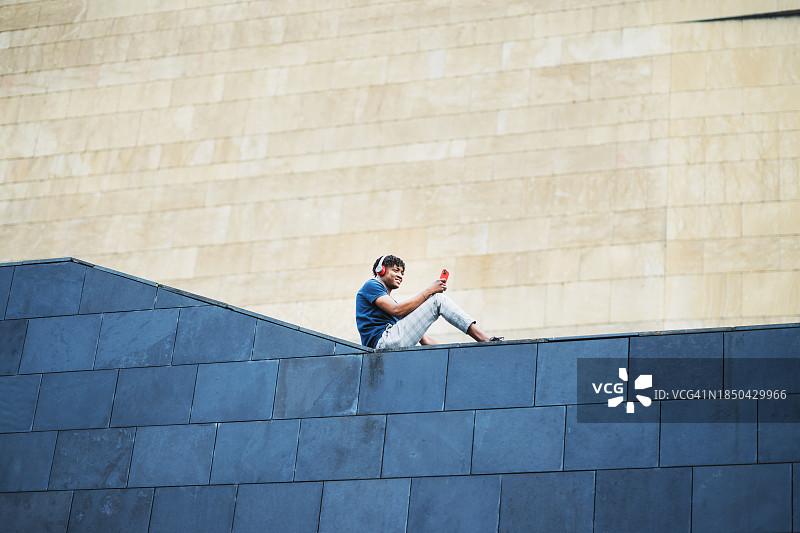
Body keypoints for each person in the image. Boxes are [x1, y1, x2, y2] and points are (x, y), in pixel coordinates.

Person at [356, 254, 502, 349]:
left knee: (435, 300)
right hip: (383, 343)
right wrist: (430, 290)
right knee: (437, 299)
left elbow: (425, 340)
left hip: (390, 344)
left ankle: (485, 341)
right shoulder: (372, 285)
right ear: (380, 270)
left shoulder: (390, 305)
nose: (400, 275)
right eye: (395, 270)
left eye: (402, 273)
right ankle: (484, 339)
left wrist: (450, 354)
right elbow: (397, 310)